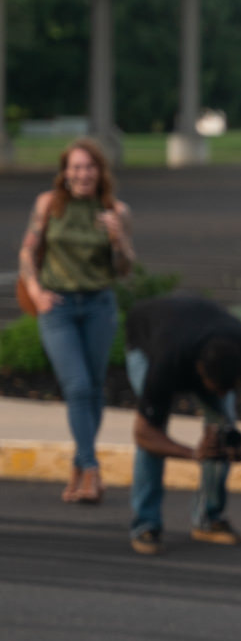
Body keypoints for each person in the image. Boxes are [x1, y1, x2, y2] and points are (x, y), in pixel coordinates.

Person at [17, 138, 135, 503]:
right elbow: (28, 250)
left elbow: (125, 268)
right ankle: (92, 468)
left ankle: (79, 467)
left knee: (94, 388)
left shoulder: (115, 210)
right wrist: (35, 291)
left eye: (90, 167)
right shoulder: (49, 205)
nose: (83, 173)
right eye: (76, 167)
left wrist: (118, 239)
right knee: (78, 387)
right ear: (65, 173)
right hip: (59, 307)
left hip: (99, 306)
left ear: (100, 172)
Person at [124, 295, 241, 555]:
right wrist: (193, 453)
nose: (218, 395)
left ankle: (208, 517)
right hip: (145, 338)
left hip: (192, 327)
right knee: (155, 430)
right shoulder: (168, 359)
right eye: (215, 389)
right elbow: (143, 433)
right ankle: (145, 523)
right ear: (198, 371)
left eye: (228, 389)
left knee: (223, 427)